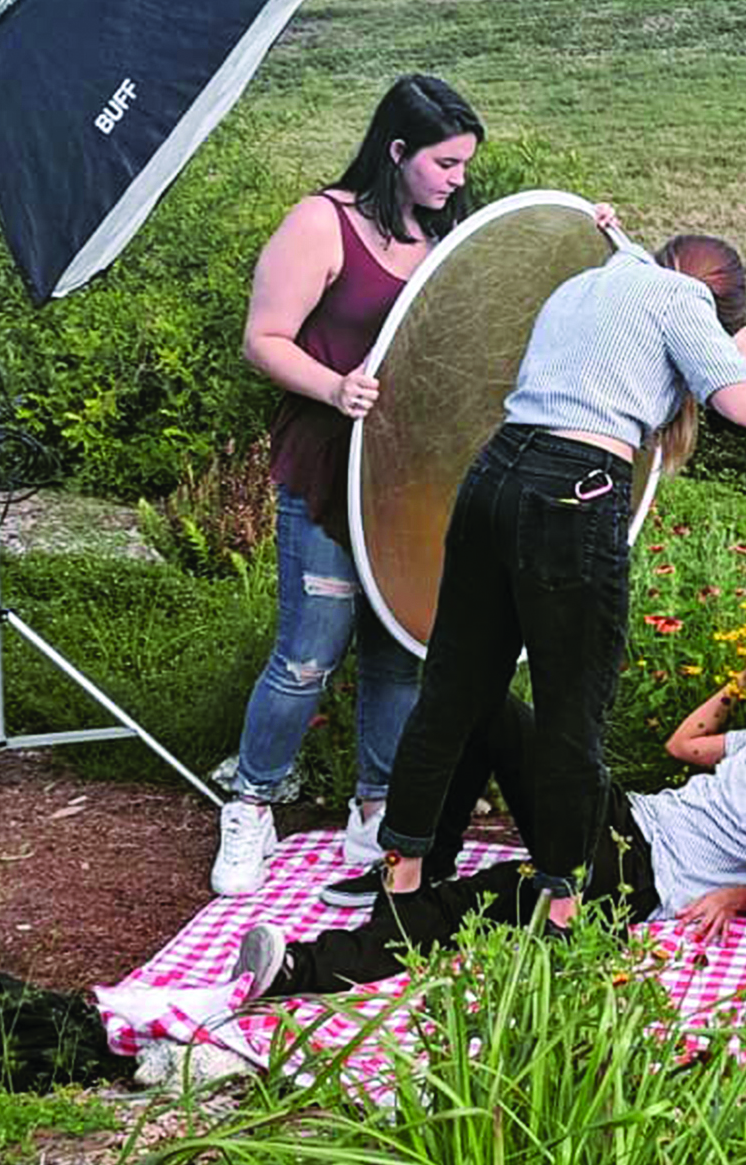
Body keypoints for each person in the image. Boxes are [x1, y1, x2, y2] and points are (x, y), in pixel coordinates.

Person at [312, 225, 746, 919]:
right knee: (571, 711)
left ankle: (400, 879)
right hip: (575, 490)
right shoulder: (682, 300)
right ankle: (564, 909)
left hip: (494, 477)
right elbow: (745, 408)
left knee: (451, 690)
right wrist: (733, 351)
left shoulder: (588, 285)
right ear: (717, 302)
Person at [228, 619, 746, 999]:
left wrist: (734, 899)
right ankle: (428, 862)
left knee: (482, 902)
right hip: (620, 814)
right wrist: (740, 680)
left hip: (637, 876)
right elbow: (684, 746)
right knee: (488, 706)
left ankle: (296, 970)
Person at [211, 75, 486, 898]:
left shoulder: (446, 234)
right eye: (444, 163)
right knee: (306, 654)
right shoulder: (320, 222)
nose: (458, 180)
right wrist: (334, 388)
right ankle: (252, 803)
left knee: (399, 652)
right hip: (330, 467)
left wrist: (589, 232)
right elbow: (264, 338)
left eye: (466, 165)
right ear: (397, 151)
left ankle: (374, 812)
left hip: (409, 478)